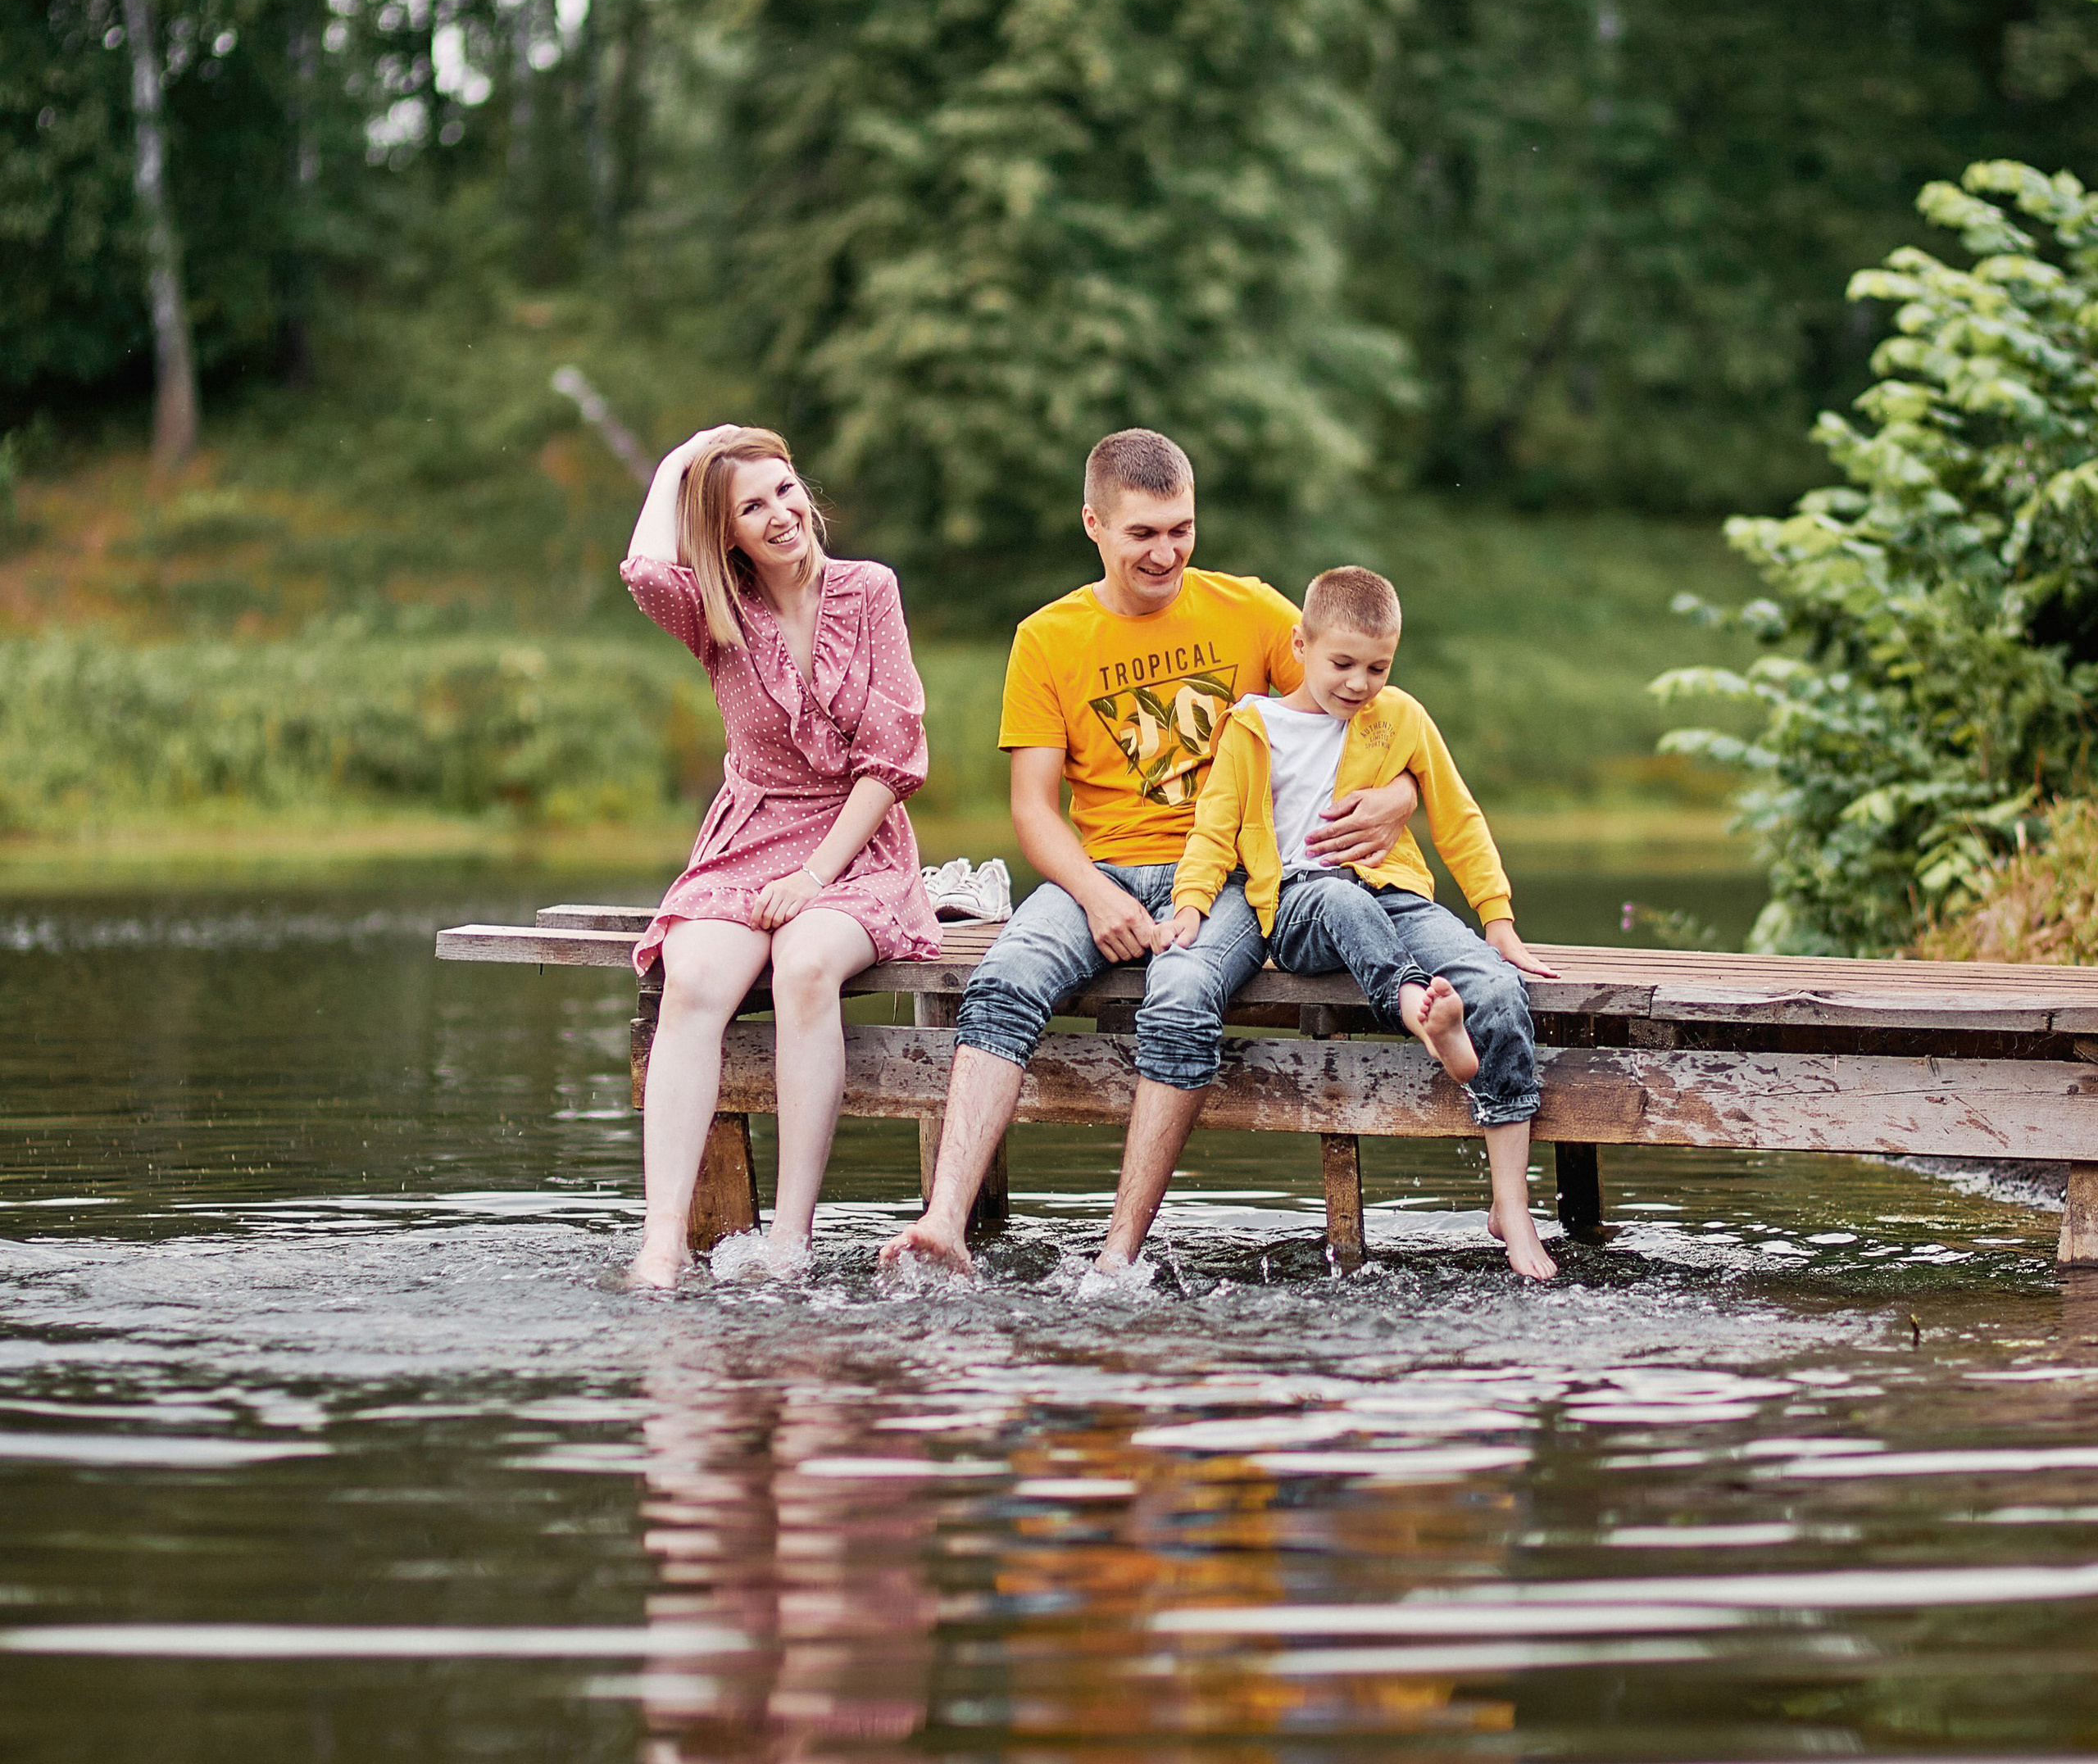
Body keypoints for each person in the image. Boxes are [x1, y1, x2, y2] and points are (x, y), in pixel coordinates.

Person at [879, 429, 1421, 1277]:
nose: (1166, 551)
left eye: (1181, 528)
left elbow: (1370, 704)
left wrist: (1402, 796)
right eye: (1142, 533)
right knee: (1005, 979)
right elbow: (1033, 810)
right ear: (1093, 523)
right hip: (1096, 868)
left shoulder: (1254, 613)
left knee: (1178, 997)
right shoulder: (1047, 638)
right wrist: (1096, 897)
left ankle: (1114, 1261)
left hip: (1230, 874)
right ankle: (942, 1225)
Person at [1160, 565, 1562, 1280]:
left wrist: (1498, 923)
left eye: (1378, 667)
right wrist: (1190, 905)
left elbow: (1459, 818)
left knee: (1496, 990)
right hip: (1299, 907)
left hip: (1394, 896)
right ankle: (1420, 1010)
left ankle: (1511, 1206)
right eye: (1342, 663)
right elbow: (1213, 829)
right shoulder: (1253, 728)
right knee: (1343, 902)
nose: (1358, 683)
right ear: (1301, 644)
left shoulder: (1401, 718)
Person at [622, 424, 942, 1288]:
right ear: (725, 533)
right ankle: (661, 1243)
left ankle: (790, 1242)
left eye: (785, 491)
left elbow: (893, 761)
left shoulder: (869, 590)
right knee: (691, 981)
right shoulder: (716, 611)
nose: (778, 514)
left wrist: (812, 880)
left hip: (856, 843)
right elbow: (645, 569)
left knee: (804, 966)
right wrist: (682, 458)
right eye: (751, 506)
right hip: (749, 837)